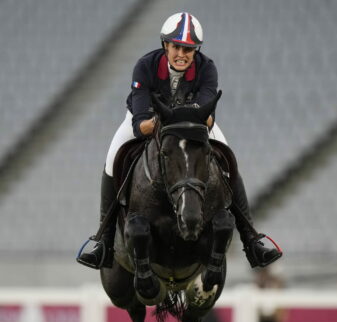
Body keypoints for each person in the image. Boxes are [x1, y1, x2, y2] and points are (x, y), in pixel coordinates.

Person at [77, 12, 281, 270]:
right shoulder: (145, 65)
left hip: (193, 124)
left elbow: (207, 114)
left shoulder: (207, 68)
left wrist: (184, 119)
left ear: (196, 50)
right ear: (165, 45)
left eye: (188, 49)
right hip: (151, 120)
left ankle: (252, 240)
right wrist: (163, 122)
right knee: (112, 158)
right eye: (176, 47)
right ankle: (103, 242)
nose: (181, 54)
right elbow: (140, 124)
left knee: (228, 157)